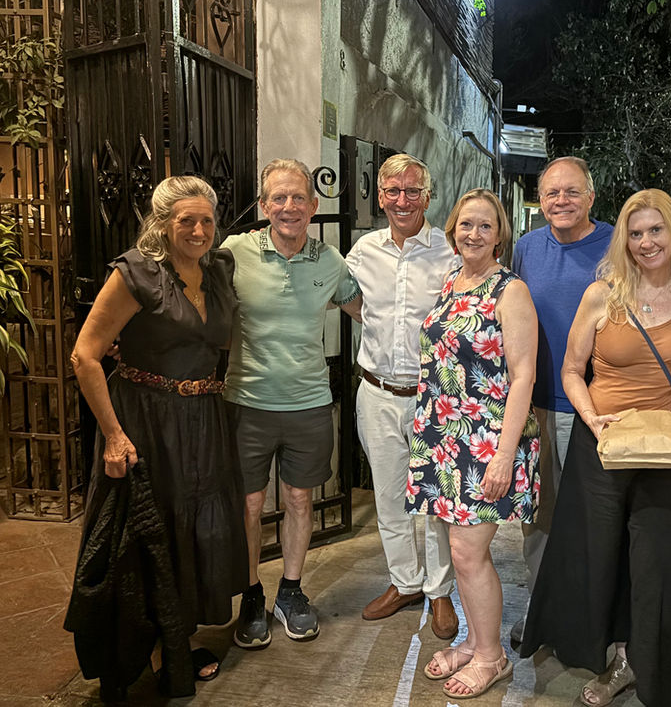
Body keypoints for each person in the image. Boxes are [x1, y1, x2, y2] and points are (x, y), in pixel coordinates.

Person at [520, 189, 671, 707]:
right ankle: (602, 654)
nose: (646, 242)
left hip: (664, 454)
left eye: (656, 230)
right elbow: (571, 369)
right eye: (635, 233)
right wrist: (592, 419)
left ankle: (642, 668)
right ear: (623, 240)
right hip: (602, 446)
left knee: (653, 567)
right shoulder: (602, 295)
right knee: (596, 557)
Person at [68, 176, 248, 694]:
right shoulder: (137, 274)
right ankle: (146, 644)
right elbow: (85, 356)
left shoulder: (218, 270)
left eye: (207, 220)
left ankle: (177, 638)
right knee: (149, 532)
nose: (198, 230)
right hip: (146, 421)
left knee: (190, 530)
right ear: (163, 223)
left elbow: (222, 339)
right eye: (186, 220)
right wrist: (114, 435)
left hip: (203, 418)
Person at [225, 158, 362, 649]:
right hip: (246, 402)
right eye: (278, 198)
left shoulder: (331, 262)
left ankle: (290, 590)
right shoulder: (233, 252)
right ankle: (251, 596)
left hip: (308, 403)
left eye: (298, 197)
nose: (289, 207)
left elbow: (369, 311)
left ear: (313, 205)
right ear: (264, 206)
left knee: (300, 499)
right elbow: (192, 302)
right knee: (249, 503)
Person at [409, 188, 541, 699]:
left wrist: (504, 457)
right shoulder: (453, 281)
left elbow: (523, 376)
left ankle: (491, 657)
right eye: (466, 224)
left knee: (469, 553)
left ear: (500, 234)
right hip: (445, 437)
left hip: (486, 441)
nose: (474, 234)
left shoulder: (510, 291)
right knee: (460, 552)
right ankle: (474, 640)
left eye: (486, 226)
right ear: (453, 230)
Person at [346, 153, 460, 640]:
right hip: (376, 392)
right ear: (380, 196)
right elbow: (351, 301)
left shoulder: (449, 252)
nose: (402, 200)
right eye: (393, 191)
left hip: (433, 396)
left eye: (413, 191)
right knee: (389, 497)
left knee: (435, 500)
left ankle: (440, 591)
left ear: (428, 197)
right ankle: (405, 582)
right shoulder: (362, 251)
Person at [508, 156, 613, 647]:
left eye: (572, 192)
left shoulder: (616, 246)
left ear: (591, 196)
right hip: (537, 406)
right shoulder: (526, 248)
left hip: (599, 407)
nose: (561, 201)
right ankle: (541, 610)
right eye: (552, 193)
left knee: (595, 519)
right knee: (539, 516)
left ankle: (592, 620)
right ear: (540, 199)